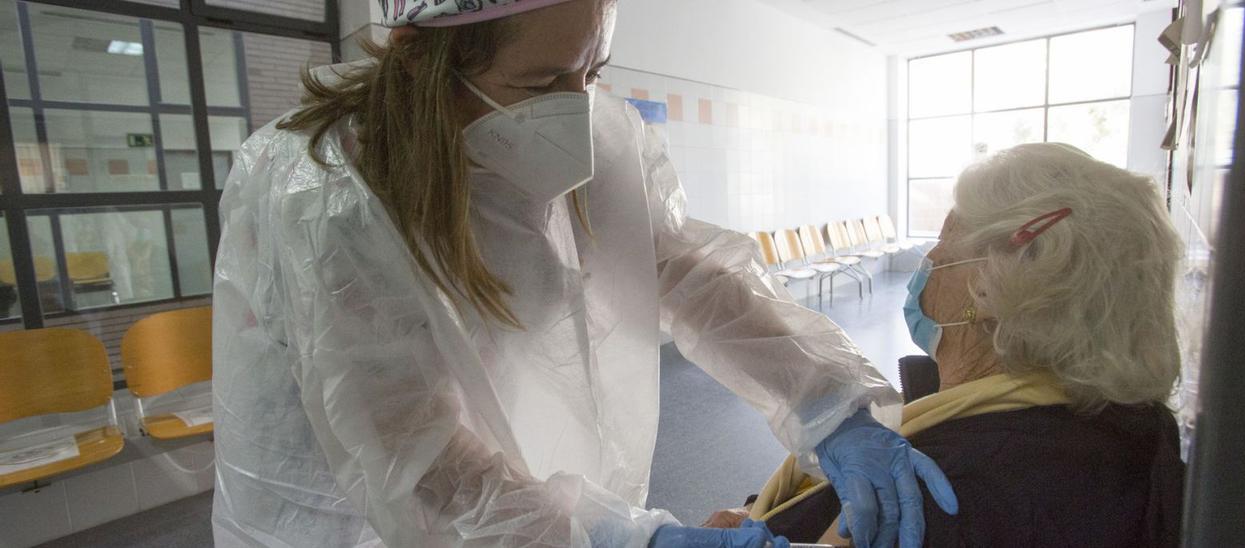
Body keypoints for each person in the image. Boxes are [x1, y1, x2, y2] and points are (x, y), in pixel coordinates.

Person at [210, 0, 959, 546]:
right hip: (337, 522)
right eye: (539, 85)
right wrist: (626, 540)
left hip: (523, 500)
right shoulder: (323, 192)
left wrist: (830, 402)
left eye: (592, 70)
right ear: (420, 57)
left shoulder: (591, 129)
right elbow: (412, 458)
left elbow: (690, 275)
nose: (574, 110)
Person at [714, 143, 1185, 547]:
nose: (930, 260)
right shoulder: (1114, 431)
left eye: (945, 244)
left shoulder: (948, 489)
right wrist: (759, 511)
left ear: (992, 290)